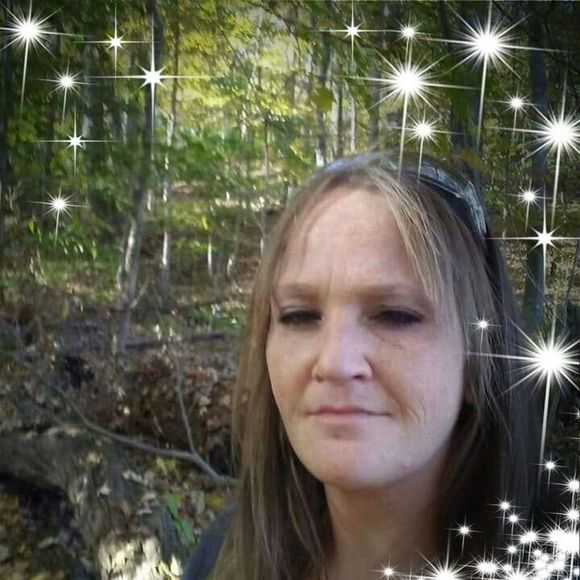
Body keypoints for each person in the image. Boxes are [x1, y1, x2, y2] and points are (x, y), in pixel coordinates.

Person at [184, 151, 542, 580]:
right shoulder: (224, 553)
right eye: (299, 315)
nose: (335, 362)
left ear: (478, 358)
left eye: (395, 315)